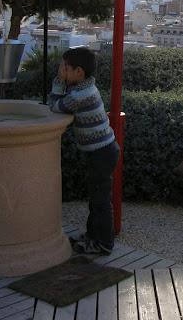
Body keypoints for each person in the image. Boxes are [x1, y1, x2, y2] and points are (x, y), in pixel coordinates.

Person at [49, 46, 120, 255]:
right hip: (102, 151)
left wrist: (58, 82)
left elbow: (55, 105)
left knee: (100, 201)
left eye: (65, 67)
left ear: (78, 72)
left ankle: (104, 243)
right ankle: (93, 236)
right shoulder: (84, 88)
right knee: (96, 198)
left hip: (101, 153)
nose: (61, 70)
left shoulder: (81, 95)